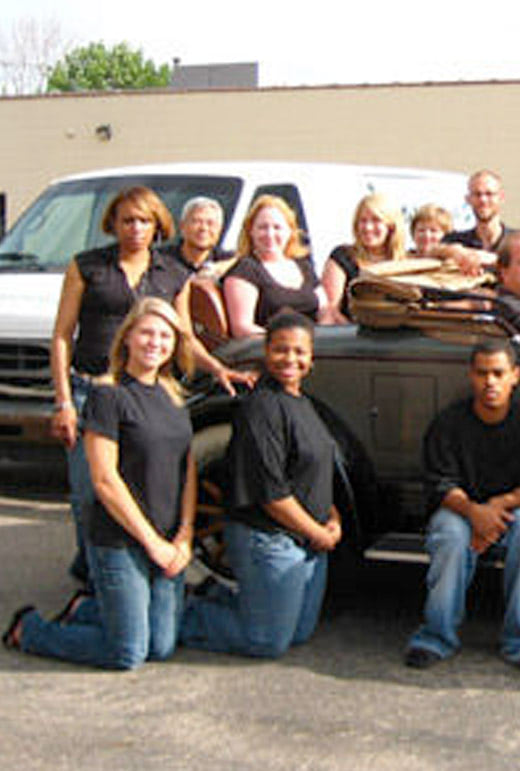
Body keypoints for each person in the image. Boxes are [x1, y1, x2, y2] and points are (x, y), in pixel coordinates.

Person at [49, 186, 242, 586]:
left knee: (139, 492)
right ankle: (92, 577)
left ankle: (115, 578)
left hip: (148, 397)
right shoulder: (86, 266)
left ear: (158, 225)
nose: (136, 228)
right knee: (89, 495)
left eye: (145, 220)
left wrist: (218, 367)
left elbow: (185, 334)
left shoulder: (173, 274)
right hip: (92, 392)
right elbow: (63, 335)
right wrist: (64, 401)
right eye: (128, 220)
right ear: (113, 224)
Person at [5, 298, 197, 669]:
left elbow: (186, 470)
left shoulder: (175, 399)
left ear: (175, 345)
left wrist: (185, 536)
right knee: (128, 653)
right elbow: (105, 481)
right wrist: (153, 544)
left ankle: (88, 609)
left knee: (162, 646)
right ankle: (29, 630)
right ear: (127, 338)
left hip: (168, 537)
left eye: (165, 336)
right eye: (146, 333)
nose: (155, 343)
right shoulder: (108, 397)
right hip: (121, 541)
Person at [179, 312, 342, 658]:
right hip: (268, 537)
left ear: (312, 358)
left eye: (299, 352)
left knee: (298, 633)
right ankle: (168, 614)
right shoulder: (262, 407)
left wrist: (333, 517)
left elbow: (314, 471)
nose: (290, 359)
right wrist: (318, 531)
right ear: (266, 352)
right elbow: (271, 493)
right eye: (281, 350)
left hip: (309, 540)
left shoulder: (302, 402)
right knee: (266, 641)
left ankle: (220, 596)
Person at [403, 341, 520, 671]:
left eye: (499, 373)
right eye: (482, 373)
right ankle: (435, 636)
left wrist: (496, 509)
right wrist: (475, 513)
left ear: (515, 376)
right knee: (450, 534)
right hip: (461, 510)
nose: (490, 382)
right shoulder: (448, 423)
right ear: (470, 376)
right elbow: (439, 485)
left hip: (514, 509)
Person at [223, 195, 331, 338]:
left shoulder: (304, 266)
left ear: (290, 231)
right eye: (262, 227)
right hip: (270, 350)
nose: (270, 234)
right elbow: (242, 327)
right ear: (251, 231)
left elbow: (325, 309)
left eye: (277, 227)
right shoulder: (245, 270)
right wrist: (289, 340)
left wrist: (320, 334)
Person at [321, 194, 407, 324]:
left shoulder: (407, 263)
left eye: (376, 220)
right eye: (363, 220)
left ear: (391, 226)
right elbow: (330, 311)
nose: (368, 227)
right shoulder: (343, 257)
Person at [163, 196, 236, 277]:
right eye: (197, 221)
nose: (204, 228)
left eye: (210, 223)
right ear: (182, 226)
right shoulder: (161, 260)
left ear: (220, 230)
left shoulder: (227, 260)